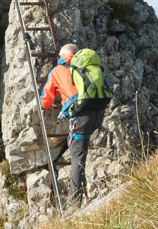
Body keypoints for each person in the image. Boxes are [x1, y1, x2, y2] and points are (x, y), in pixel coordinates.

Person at [40, 43, 111, 207]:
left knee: (77, 157)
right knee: (81, 153)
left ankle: (74, 202)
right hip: (98, 113)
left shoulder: (58, 70)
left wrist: (45, 106)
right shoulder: (86, 67)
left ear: (63, 55)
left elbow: (47, 97)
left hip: (81, 116)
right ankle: (83, 193)